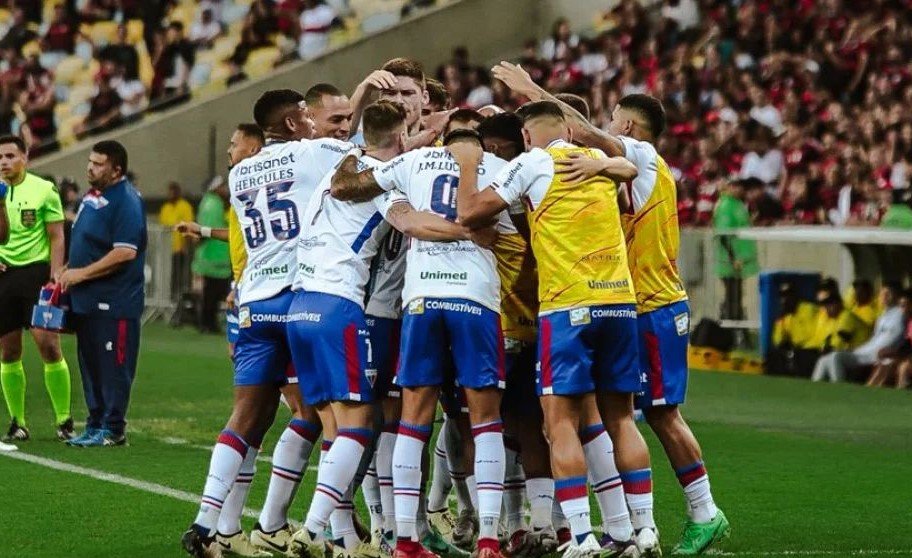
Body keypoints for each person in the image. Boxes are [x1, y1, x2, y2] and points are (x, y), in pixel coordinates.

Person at [491, 63, 730, 555]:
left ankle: (703, 511)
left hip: (652, 303)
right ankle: (625, 527)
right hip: (631, 302)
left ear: (626, 127)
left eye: (612, 119)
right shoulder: (639, 168)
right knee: (616, 414)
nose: (603, 126)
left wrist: (532, 92)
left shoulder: (637, 154)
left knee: (659, 414)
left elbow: (582, 132)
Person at [451, 101, 655, 558]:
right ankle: (640, 530)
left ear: (526, 137)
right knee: (618, 417)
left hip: (568, 307)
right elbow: (630, 167)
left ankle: (580, 535)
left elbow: (472, 211)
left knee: (559, 421)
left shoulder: (532, 161)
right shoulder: (601, 162)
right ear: (570, 129)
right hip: (619, 301)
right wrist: (612, 163)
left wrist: (468, 167)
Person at [289, 101, 483, 558]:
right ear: (400, 139)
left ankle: (343, 537)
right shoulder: (384, 183)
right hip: (341, 304)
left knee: (338, 425)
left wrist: (416, 134)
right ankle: (317, 530)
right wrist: (467, 232)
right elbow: (411, 221)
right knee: (363, 421)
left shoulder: (343, 165)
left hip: (301, 304)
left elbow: (379, 151)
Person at [181, 89, 351, 558]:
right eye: (308, 117)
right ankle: (333, 535)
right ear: (295, 123)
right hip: (300, 302)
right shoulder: (311, 152)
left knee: (246, 418)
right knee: (331, 417)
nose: (319, 124)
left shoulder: (240, 174)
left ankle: (209, 522)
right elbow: (372, 147)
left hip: (254, 306)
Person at [328, 126, 508, 558]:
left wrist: (356, 150)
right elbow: (515, 228)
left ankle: (404, 538)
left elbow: (348, 188)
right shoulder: (498, 167)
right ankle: (488, 538)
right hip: (475, 298)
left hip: (421, 299)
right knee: (484, 420)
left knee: (413, 418)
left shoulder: (412, 162)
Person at [59, 141, 145, 447]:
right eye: (90, 161)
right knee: (91, 365)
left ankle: (113, 428)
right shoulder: (93, 196)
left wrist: (80, 274)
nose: (90, 167)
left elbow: (124, 252)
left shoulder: (126, 201)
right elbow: (87, 242)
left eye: (98, 164)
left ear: (116, 169)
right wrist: (68, 269)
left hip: (115, 301)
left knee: (113, 367)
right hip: (86, 300)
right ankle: (95, 424)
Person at [0, 135, 72, 443]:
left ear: (25, 157)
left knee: (48, 344)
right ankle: (18, 421)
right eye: (0, 157)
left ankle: (64, 419)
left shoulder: (44, 190)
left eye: (10, 156)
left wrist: (55, 273)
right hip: (4, 276)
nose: (4, 162)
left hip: (36, 275)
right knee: (9, 350)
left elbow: (56, 235)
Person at [812, 283, 907, 383]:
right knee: (823, 360)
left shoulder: (900, 315)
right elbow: (874, 339)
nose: (883, 296)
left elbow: (892, 339)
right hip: (864, 351)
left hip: (876, 354)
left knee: (835, 357)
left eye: (887, 293)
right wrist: (859, 350)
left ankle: (839, 390)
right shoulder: (883, 316)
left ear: (896, 296)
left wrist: (866, 351)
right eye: (881, 293)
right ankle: (814, 389)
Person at [712, 178, 758, 321]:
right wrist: (733, 258)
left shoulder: (738, 204)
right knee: (732, 296)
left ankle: (735, 327)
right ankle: (730, 327)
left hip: (739, 261)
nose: (741, 189)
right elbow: (723, 234)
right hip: (729, 261)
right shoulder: (726, 205)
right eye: (737, 186)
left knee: (736, 295)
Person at [192, 178, 232, 334]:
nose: (225, 189)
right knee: (213, 294)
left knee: (210, 294)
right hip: (215, 256)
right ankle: (208, 324)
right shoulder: (214, 204)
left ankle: (207, 323)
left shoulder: (207, 202)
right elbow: (208, 228)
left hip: (211, 255)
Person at [766, 283, 820, 377]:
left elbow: (812, 333)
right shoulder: (786, 317)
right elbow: (778, 341)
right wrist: (780, 322)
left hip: (812, 348)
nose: (785, 300)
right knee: (773, 355)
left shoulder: (808, 309)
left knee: (801, 356)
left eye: (788, 296)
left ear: (794, 296)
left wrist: (797, 347)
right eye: (782, 297)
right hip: (798, 350)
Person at [158, 181, 194, 300]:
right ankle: (169, 298)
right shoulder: (165, 208)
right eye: (170, 192)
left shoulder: (185, 206)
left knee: (180, 275)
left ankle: (179, 299)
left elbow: (189, 226)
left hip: (180, 249)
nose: (171, 194)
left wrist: (186, 246)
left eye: (174, 191)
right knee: (168, 275)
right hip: (166, 249)